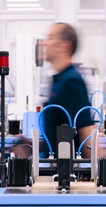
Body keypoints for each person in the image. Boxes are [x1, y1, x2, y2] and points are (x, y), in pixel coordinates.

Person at [40, 22, 99, 158]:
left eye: (50, 38)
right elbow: (59, 134)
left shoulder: (71, 81)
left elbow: (85, 131)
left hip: (67, 173)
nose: (44, 43)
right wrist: (32, 146)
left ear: (64, 45)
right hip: (57, 168)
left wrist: (98, 175)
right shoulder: (59, 80)